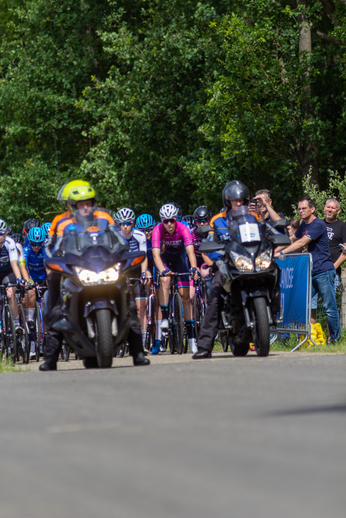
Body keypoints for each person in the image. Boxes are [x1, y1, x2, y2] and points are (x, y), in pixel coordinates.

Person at [40, 185, 150, 370]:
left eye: (88, 203)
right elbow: (50, 245)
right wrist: (56, 259)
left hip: (103, 265)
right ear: (72, 206)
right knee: (57, 308)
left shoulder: (105, 218)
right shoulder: (61, 222)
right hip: (74, 268)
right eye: (81, 204)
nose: (85, 207)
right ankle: (50, 358)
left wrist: (124, 254)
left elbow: (119, 240)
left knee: (128, 303)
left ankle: (138, 353)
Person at [192, 180, 250, 359]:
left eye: (241, 200)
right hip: (226, 266)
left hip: (249, 264)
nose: (238, 204)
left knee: (274, 271)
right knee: (215, 297)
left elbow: (265, 234)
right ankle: (204, 346)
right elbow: (209, 242)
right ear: (227, 201)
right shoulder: (217, 220)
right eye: (235, 200)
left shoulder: (252, 217)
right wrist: (218, 260)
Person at [274, 196, 341, 342]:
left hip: (324, 271)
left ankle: (335, 340)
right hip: (310, 272)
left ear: (312, 209)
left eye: (304, 208)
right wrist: (272, 250)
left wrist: (280, 254)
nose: (301, 211)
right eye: (299, 209)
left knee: (329, 308)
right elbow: (292, 240)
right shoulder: (304, 225)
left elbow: (302, 242)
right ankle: (304, 339)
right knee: (303, 306)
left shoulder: (318, 224)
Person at [151, 203, 199, 354]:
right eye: (166, 221)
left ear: (176, 219)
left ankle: (191, 339)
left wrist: (194, 268)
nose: (170, 224)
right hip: (164, 257)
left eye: (172, 220)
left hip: (179, 257)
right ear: (161, 221)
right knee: (165, 280)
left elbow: (190, 251)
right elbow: (156, 255)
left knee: (186, 297)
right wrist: (163, 270)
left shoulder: (183, 228)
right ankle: (165, 317)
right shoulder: (157, 230)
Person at [115, 208, 150, 352]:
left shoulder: (139, 235)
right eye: (122, 223)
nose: (125, 226)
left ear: (132, 223)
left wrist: (143, 273)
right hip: (122, 272)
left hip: (136, 270)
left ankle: (142, 341)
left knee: (141, 308)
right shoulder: (115, 236)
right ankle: (120, 340)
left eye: (128, 223)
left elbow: (144, 257)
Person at [0, 219, 26, 328]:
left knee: (10, 294)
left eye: (0, 234)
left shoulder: (9, 242)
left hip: (8, 271)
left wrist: (19, 279)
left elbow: (15, 264)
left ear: (5, 233)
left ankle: (16, 325)